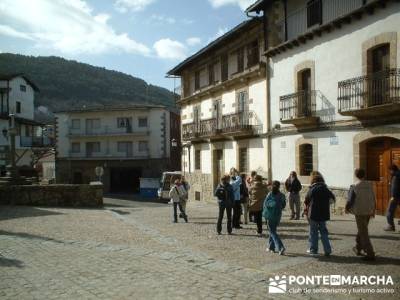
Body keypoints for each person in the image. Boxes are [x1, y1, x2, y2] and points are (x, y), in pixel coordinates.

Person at [346, 168, 376, 261]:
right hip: (368, 210)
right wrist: (373, 210)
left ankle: (370, 252)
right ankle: (358, 248)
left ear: (356, 175)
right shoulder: (370, 184)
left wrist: (346, 208)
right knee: (362, 229)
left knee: (363, 231)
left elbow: (350, 200)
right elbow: (373, 197)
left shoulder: (354, 186)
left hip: (359, 211)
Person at [304, 171, 335, 256]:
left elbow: (306, 200)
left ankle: (313, 250)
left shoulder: (312, 189)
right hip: (323, 214)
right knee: (324, 232)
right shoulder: (326, 189)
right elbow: (332, 200)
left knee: (313, 232)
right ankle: (327, 250)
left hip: (313, 214)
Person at [263, 181, 286, 255]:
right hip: (278, 215)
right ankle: (271, 247)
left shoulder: (270, 194)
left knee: (272, 232)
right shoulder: (282, 195)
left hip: (270, 215)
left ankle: (280, 247)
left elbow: (265, 204)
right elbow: (283, 205)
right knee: (272, 231)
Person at [384, 164, 400, 231]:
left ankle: (391, 225)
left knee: (389, 211)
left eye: (390, 170)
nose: (389, 172)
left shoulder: (395, 176)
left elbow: (394, 187)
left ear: (392, 170)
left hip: (395, 196)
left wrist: (392, 196)